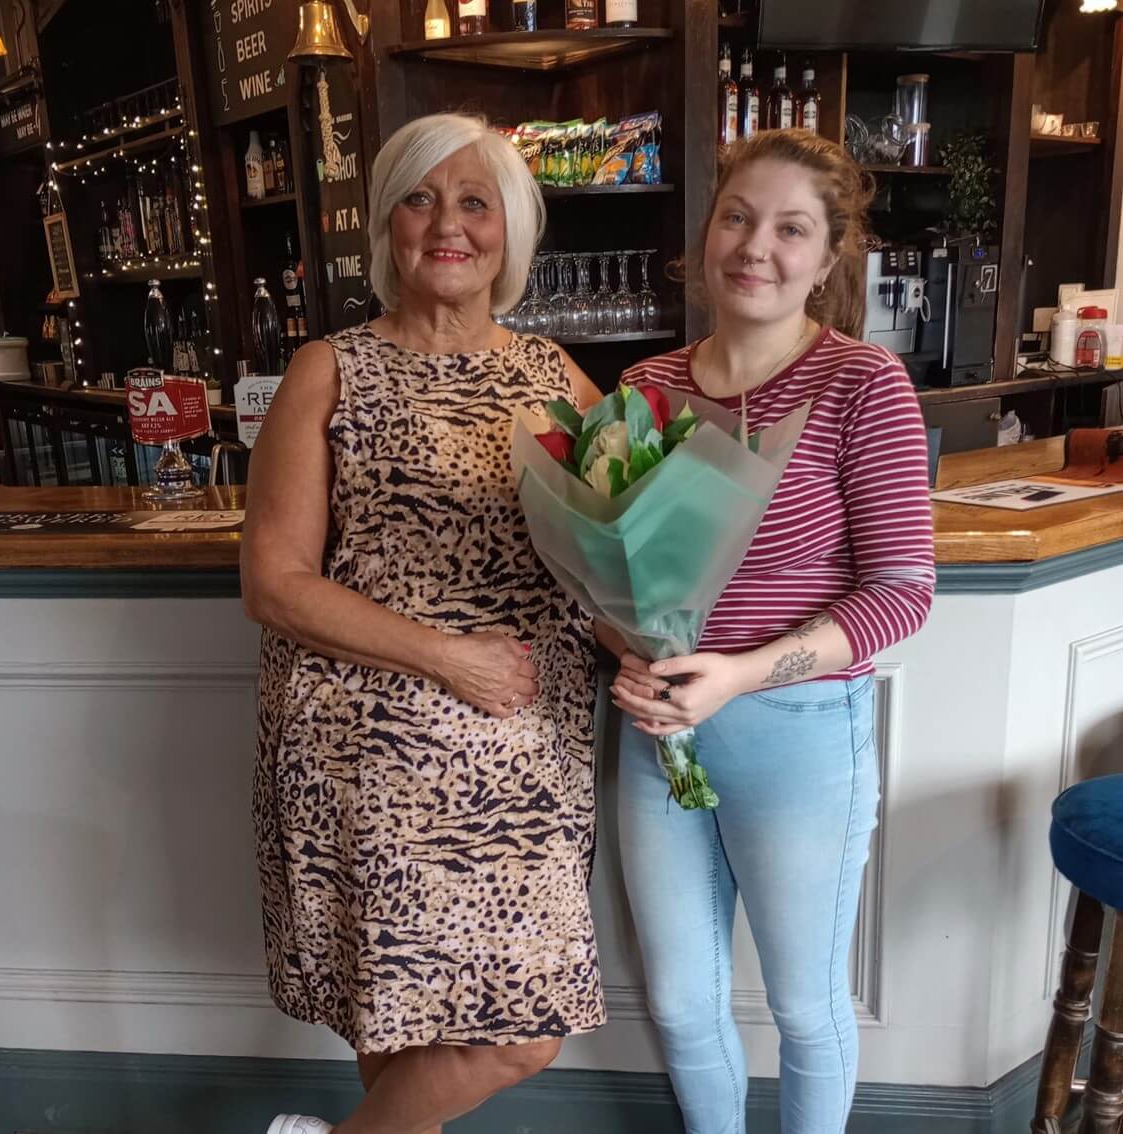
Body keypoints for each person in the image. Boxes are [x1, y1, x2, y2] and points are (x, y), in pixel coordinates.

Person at [241, 113, 604, 1134]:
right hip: (367, 751)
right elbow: (274, 582)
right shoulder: (330, 371)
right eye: (419, 197)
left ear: (512, 230)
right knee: (401, 1028)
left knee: (516, 1028)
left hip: (525, 758)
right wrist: (452, 660)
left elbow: (617, 556)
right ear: (385, 225)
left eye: (475, 201)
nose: (449, 224)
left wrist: (657, 635)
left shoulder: (558, 381)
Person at [603, 129, 936, 1133]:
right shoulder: (645, 388)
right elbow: (605, 573)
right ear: (706, 232)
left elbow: (904, 591)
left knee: (802, 1006)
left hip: (799, 735)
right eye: (738, 218)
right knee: (681, 1003)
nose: (757, 247)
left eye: (791, 229)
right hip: (656, 733)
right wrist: (617, 642)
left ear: (828, 259)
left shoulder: (862, 386)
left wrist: (741, 675)